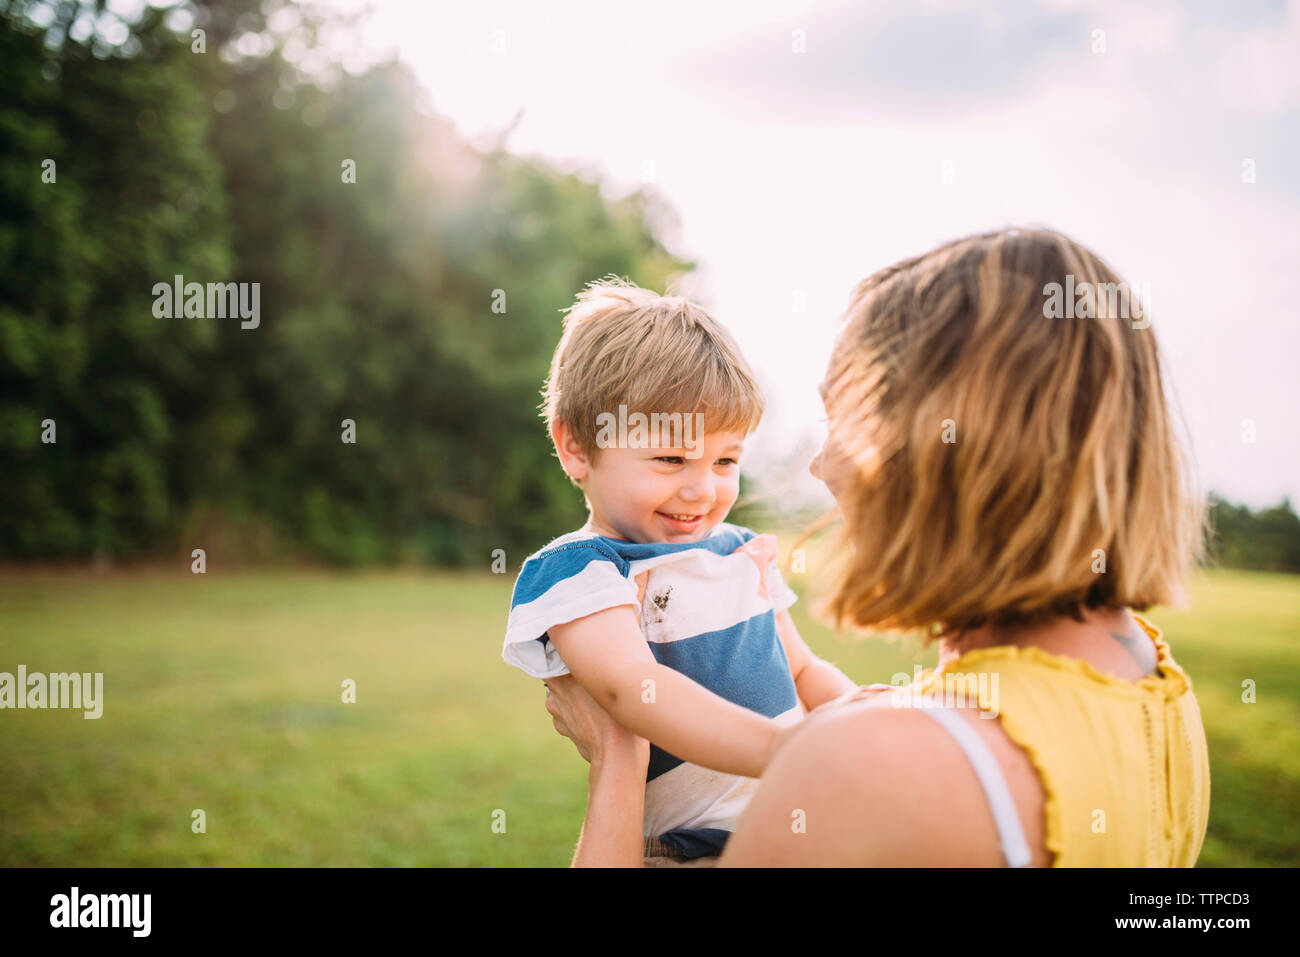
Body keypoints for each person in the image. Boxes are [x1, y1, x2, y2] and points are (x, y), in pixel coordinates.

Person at [544, 228, 1212, 867]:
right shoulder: (1161, 693)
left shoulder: (861, 769)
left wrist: (617, 764)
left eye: (846, 423)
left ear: (941, 451)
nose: (821, 468)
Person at [502, 280, 857, 866]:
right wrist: (783, 748)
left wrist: (862, 715)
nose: (702, 488)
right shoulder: (580, 572)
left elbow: (804, 669)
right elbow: (634, 689)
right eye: (671, 459)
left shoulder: (744, 553)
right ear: (577, 448)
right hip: (697, 849)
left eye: (725, 461)